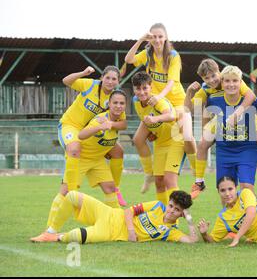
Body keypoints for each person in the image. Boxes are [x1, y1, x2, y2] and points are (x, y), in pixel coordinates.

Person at [184, 59, 257, 199]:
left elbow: (251, 96)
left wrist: (235, 115)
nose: (211, 80)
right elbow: (188, 109)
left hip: (250, 117)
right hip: (222, 120)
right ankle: (199, 181)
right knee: (203, 144)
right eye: (206, 78)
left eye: (213, 76)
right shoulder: (206, 89)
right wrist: (189, 92)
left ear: (219, 72)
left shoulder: (231, 78)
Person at [45, 90, 129, 236]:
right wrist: (99, 127)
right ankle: (49, 231)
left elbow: (124, 124)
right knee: (65, 192)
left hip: (97, 160)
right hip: (82, 159)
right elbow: (81, 135)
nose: (118, 106)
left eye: (122, 103)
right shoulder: (99, 120)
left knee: (110, 189)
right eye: (115, 103)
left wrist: (111, 125)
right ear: (108, 104)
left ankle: (119, 227)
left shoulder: (121, 117)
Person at [125, 23, 196, 188]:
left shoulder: (172, 56)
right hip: (156, 102)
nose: (157, 40)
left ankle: (197, 170)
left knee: (187, 135)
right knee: (138, 139)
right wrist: (141, 39)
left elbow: (171, 82)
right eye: (154, 36)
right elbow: (128, 59)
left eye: (160, 36)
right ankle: (149, 174)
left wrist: (159, 97)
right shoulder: (148, 54)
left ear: (165, 38)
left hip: (177, 102)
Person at [58, 65, 127, 204]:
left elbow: (123, 123)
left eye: (114, 79)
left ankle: (116, 188)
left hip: (90, 132)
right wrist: (83, 73)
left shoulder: (115, 99)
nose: (110, 81)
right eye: (107, 77)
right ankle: (71, 191)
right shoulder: (90, 85)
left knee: (118, 152)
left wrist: (111, 125)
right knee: (74, 149)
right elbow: (66, 81)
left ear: (118, 81)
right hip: (71, 125)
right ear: (102, 78)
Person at [31, 190, 198, 244]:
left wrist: (189, 219)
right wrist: (132, 231)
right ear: (167, 202)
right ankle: (50, 230)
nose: (170, 211)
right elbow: (128, 211)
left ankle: (52, 238)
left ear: (181, 214)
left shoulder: (171, 232)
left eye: (176, 210)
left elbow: (192, 241)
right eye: (170, 205)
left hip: (111, 233)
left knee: (77, 236)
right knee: (73, 196)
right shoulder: (157, 206)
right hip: (110, 213)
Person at [203, 65, 257, 192]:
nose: (231, 84)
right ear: (222, 82)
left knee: (246, 188)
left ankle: (251, 210)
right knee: (225, 189)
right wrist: (208, 130)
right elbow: (205, 113)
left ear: (241, 82)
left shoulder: (252, 101)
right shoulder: (214, 99)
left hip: (247, 148)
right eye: (227, 81)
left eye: (235, 81)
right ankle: (227, 212)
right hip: (224, 149)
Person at [131, 72, 185, 205]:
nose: (142, 92)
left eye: (145, 88)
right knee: (159, 182)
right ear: (133, 89)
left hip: (176, 141)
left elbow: (171, 116)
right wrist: (152, 131)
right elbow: (146, 119)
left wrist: (155, 119)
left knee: (169, 181)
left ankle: (175, 218)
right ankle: (163, 213)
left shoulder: (158, 101)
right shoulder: (136, 102)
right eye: (138, 89)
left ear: (151, 87)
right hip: (160, 143)